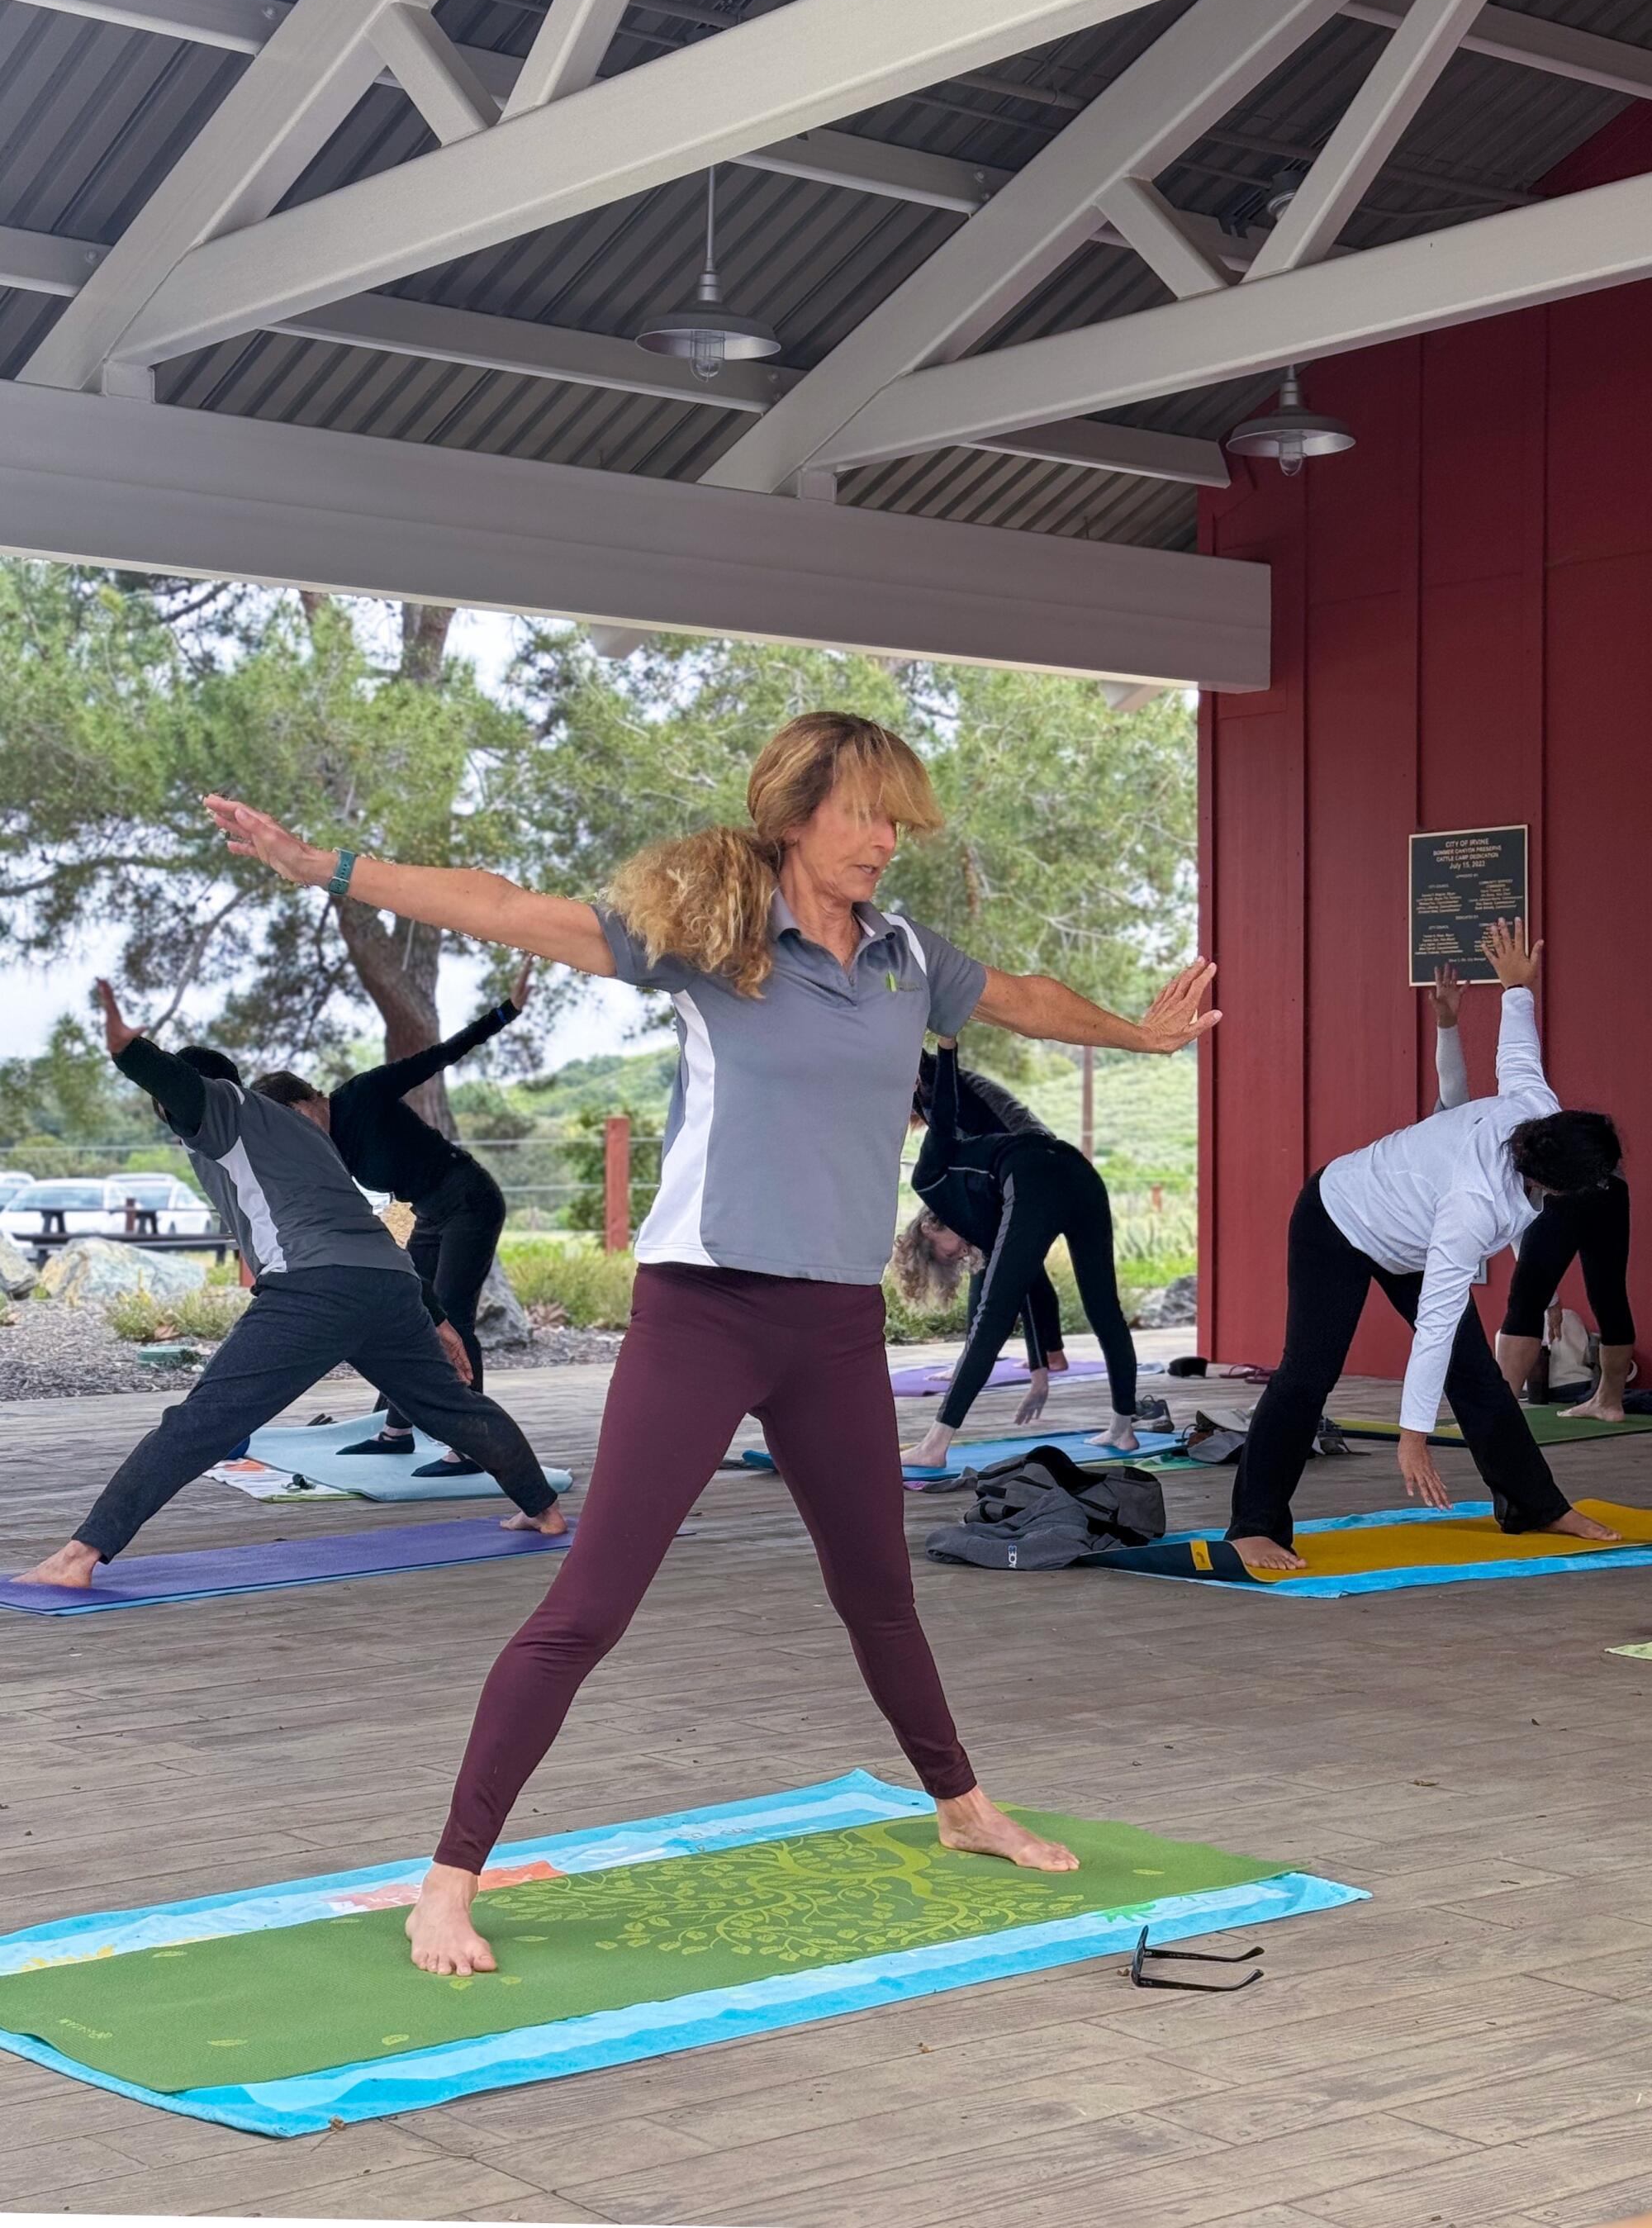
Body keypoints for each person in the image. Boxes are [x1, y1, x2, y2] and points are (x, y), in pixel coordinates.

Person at [202, 708, 1218, 1974]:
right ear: (796, 816)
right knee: (592, 1605)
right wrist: (327, 868)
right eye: (865, 814)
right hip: (704, 1313)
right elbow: (509, 908)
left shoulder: (907, 955)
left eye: (899, 817)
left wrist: (1141, 1032)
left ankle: (962, 1806)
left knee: (880, 1594)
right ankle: (447, 1880)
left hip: (837, 1324)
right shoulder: (712, 943)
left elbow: (1022, 996)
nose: (886, 839)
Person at [15, 983, 566, 1589]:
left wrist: (127, 1049)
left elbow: (179, 1085)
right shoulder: (303, 1133)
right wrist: (434, 1316)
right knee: (454, 1407)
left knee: (201, 1421)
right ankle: (544, 1509)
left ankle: (79, 1557)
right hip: (387, 1286)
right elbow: (368, 1228)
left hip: (313, 1287)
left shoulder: (224, 1110)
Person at [1227, 919, 1617, 1571]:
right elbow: (1433, 1325)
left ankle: (1535, 1505)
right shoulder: (1473, 1206)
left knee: (1477, 1377)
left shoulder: (1535, 1108)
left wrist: (1517, 987)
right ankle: (1254, 1524)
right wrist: (1413, 1437)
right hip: (1339, 1219)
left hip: (1411, 1231)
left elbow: (1517, 1048)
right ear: (1559, 1180)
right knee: (1308, 1373)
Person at [253, 960, 534, 1476]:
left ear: (309, 1098)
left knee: (453, 1316)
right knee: (413, 1316)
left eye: (293, 1119)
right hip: (429, 1213)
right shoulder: (324, 1147)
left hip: (469, 1199)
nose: (296, 1132)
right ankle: (396, 1431)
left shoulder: (362, 1095)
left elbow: (439, 1055)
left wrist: (505, 1011)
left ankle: (471, 1447)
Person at [895, 1039, 1141, 1470]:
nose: (956, 1259)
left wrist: (949, 1051)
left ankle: (934, 1445)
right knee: (1105, 1310)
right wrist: (1039, 1375)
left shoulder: (929, 1179)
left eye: (945, 1255)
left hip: (1030, 1169)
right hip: (1077, 1170)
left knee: (990, 1314)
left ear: (930, 1226)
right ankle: (1124, 1429)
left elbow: (945, 1114)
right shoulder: (986, 1212)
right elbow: (1029, 1284)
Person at [1429, 964, 1636, 1423]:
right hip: (1606, 1178)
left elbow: (1525, 1213)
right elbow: (1506, 1064)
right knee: (1609, 1290)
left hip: (1565, 1181)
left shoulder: (1472, 1141)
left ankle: (1497, 1410)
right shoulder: (1524, 1107)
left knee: (1523, 1301)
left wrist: (1546, 1299)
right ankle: (1610, 1400)